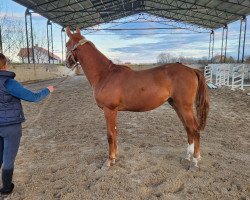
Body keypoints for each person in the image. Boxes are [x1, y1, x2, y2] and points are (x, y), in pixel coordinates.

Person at [0, 53, 54, 195]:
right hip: (10, 127)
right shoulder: (9, 83)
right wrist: (47, 90)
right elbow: (33, 97)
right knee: (8, 159)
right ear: (5, 65)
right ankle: (6, 189)